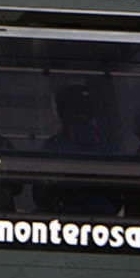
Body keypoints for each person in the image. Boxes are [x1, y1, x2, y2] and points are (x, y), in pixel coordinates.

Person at [33, 84, 122, 216]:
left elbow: (41, 194)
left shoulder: (54, 146)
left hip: (62, 221)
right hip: (104, 222)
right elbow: (117, 197)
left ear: (62, 110)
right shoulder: (110, 147)